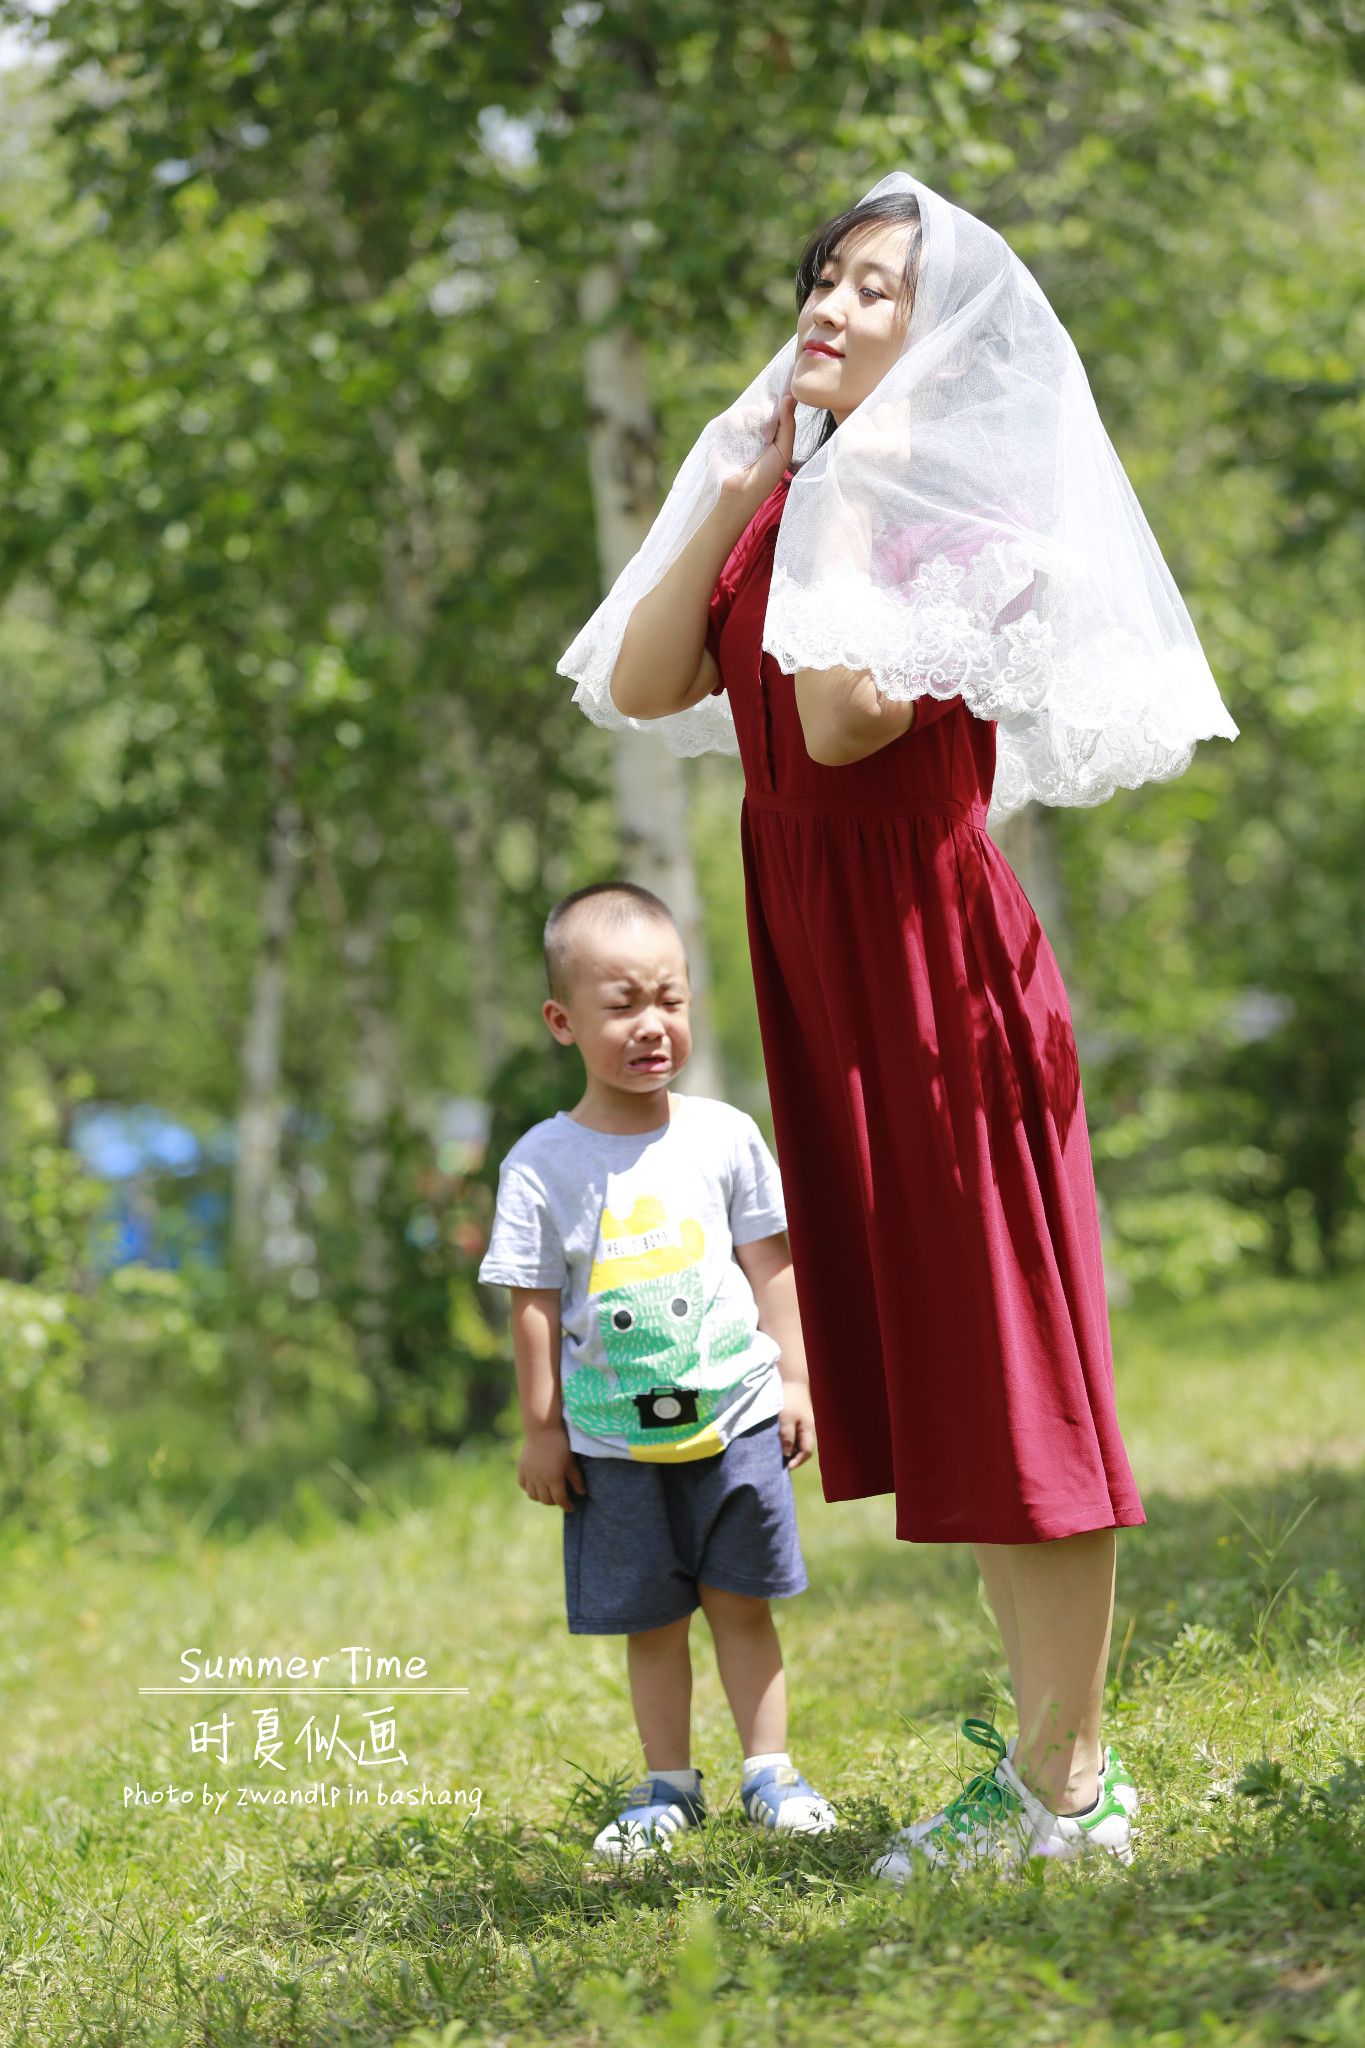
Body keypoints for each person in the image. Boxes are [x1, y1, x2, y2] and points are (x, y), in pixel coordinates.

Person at [558, 174, 1238, 1875]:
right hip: (835, 982)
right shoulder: (788, 500)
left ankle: (1071, 1790)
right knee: (952, 1378)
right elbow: (648, 685)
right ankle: (1047, 1777)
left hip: (941, 982)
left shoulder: (965, 523)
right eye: (825, 279)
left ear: (937, 345)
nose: (832, 308)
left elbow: (849, 718)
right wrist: (732, 490)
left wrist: (840, 491)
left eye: (875, 293)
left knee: (1021, 1374)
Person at [477, 880, 838, 1864]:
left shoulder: (723, 1133)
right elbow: (534, 1303)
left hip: (739, 1419)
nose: (652, 1025)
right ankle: (669, 1783)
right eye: (623, 1003)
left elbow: (772, 1263)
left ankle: (772, 1768)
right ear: (563, 1019)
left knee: (742, 1598)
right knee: (654, 1615)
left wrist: (798, 1381)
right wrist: (544, 1426)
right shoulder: (543, 1163)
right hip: (612, 1438)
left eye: (670, 998)